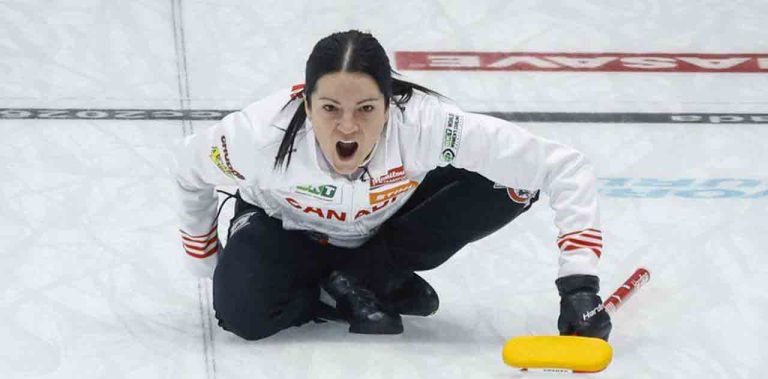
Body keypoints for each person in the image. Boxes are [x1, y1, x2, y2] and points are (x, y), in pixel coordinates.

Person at [173, 29, 611, 341]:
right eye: (329, 108)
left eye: (366, 108)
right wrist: (210, 266)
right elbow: (188, 168)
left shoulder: (427, 123)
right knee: (241, 316)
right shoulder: (258, 136)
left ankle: (367, 274)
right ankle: (338, 287)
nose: (347, 126)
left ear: (390, 103)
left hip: (384, 230)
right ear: (305, 104)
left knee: (514, 184)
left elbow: (562, 167)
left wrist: (579, 286)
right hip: (283, 230)